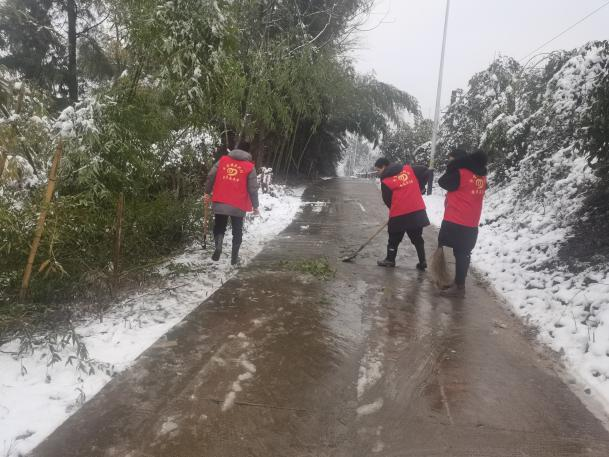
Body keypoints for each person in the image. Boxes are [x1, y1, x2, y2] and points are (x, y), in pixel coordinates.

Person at [437, 148, 488, 296]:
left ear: (458, 160)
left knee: (459, 252)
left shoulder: (460, 174)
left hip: (456, 219)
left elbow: (442, 181)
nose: (449, 162)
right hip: (471, 222)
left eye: (451, 160)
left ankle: (459, 288)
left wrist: (454, 167)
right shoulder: (481, 177)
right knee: (463, 252)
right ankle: (459, 284)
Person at [204, 142, 259, 265]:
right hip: (238, 204)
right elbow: (253, 188)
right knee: (237, 230)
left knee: (219, 226)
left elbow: (211, 175)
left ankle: (218, 246)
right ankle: (234, 258)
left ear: (235, 149)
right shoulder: (249, 166)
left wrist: (207, 192)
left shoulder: (223, 160)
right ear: (248, 152)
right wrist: (256, 206)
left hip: (221, 200)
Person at [374, 157, 431, 269]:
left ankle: (390, 260)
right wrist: (420, 187)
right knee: (417, 237)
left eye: (378, 170)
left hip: (399, 213)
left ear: (384, 167)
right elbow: (425, 171)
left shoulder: (385, 181)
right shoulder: (409, 169)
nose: (377, 173)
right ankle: (422, 261)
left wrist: (396, 210)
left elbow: (387, 200)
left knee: (393, 239)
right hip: (416, 210)